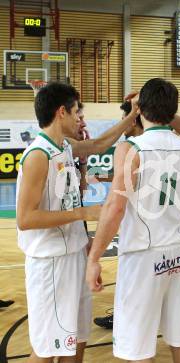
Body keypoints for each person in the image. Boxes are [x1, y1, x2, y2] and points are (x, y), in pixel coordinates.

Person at [16, 81, 136, 363]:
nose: (79, 118)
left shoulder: (65, 146)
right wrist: (83, 214)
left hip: (73, 255)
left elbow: (97, 144)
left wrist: (132, 116)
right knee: (46, 351)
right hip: (50, 264)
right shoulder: (38, 155)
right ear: (61, 112)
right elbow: (25, 218)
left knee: (77, 341)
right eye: (75, 112)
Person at [86, 78, 180, 362]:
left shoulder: (132, 148)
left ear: (140, 110)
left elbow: (115, 207)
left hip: (143, 256)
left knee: (136, 348)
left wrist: (94, 257)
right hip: (177, 253)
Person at [93, 99, 144, 330]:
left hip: (138, 231)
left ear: (133, 119)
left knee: (131, 283)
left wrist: (94, 257)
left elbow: (118, 201)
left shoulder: (131, 147)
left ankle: (125, 319)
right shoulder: (169, 143)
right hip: (165, 234)